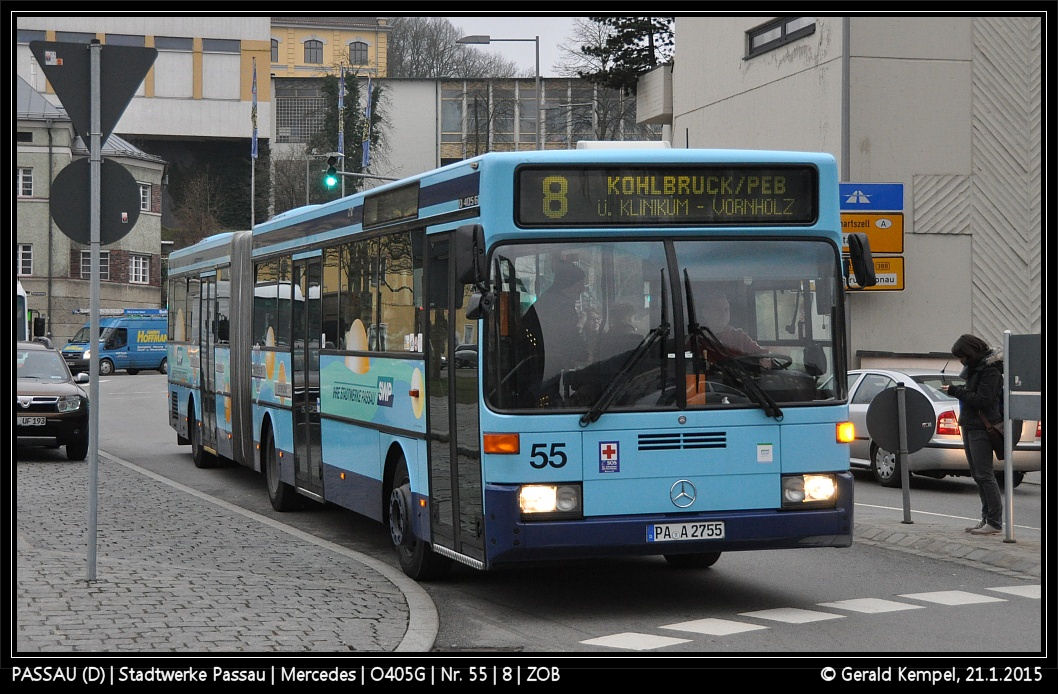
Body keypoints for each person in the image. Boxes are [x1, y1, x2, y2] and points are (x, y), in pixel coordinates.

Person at [944, 333, 1004, 535]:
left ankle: (994, 521)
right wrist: (961, 389)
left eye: (962, 356)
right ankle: (986, 518)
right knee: (978, 475)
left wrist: (956, 391)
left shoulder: (990, 371)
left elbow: (983, 400)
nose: (961, 361)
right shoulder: (974, 369)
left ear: (971, 353)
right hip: (970, 424)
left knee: (984, 474)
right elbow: (974, 394)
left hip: (982, 427)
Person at [518, 258, 588, 406]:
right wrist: (582, 327)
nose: (582, 290)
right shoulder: (562, 308)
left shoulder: (546, 301)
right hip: (544, 369)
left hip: (536, 366)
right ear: (569, 284)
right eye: (580, 284)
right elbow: (569, 341)